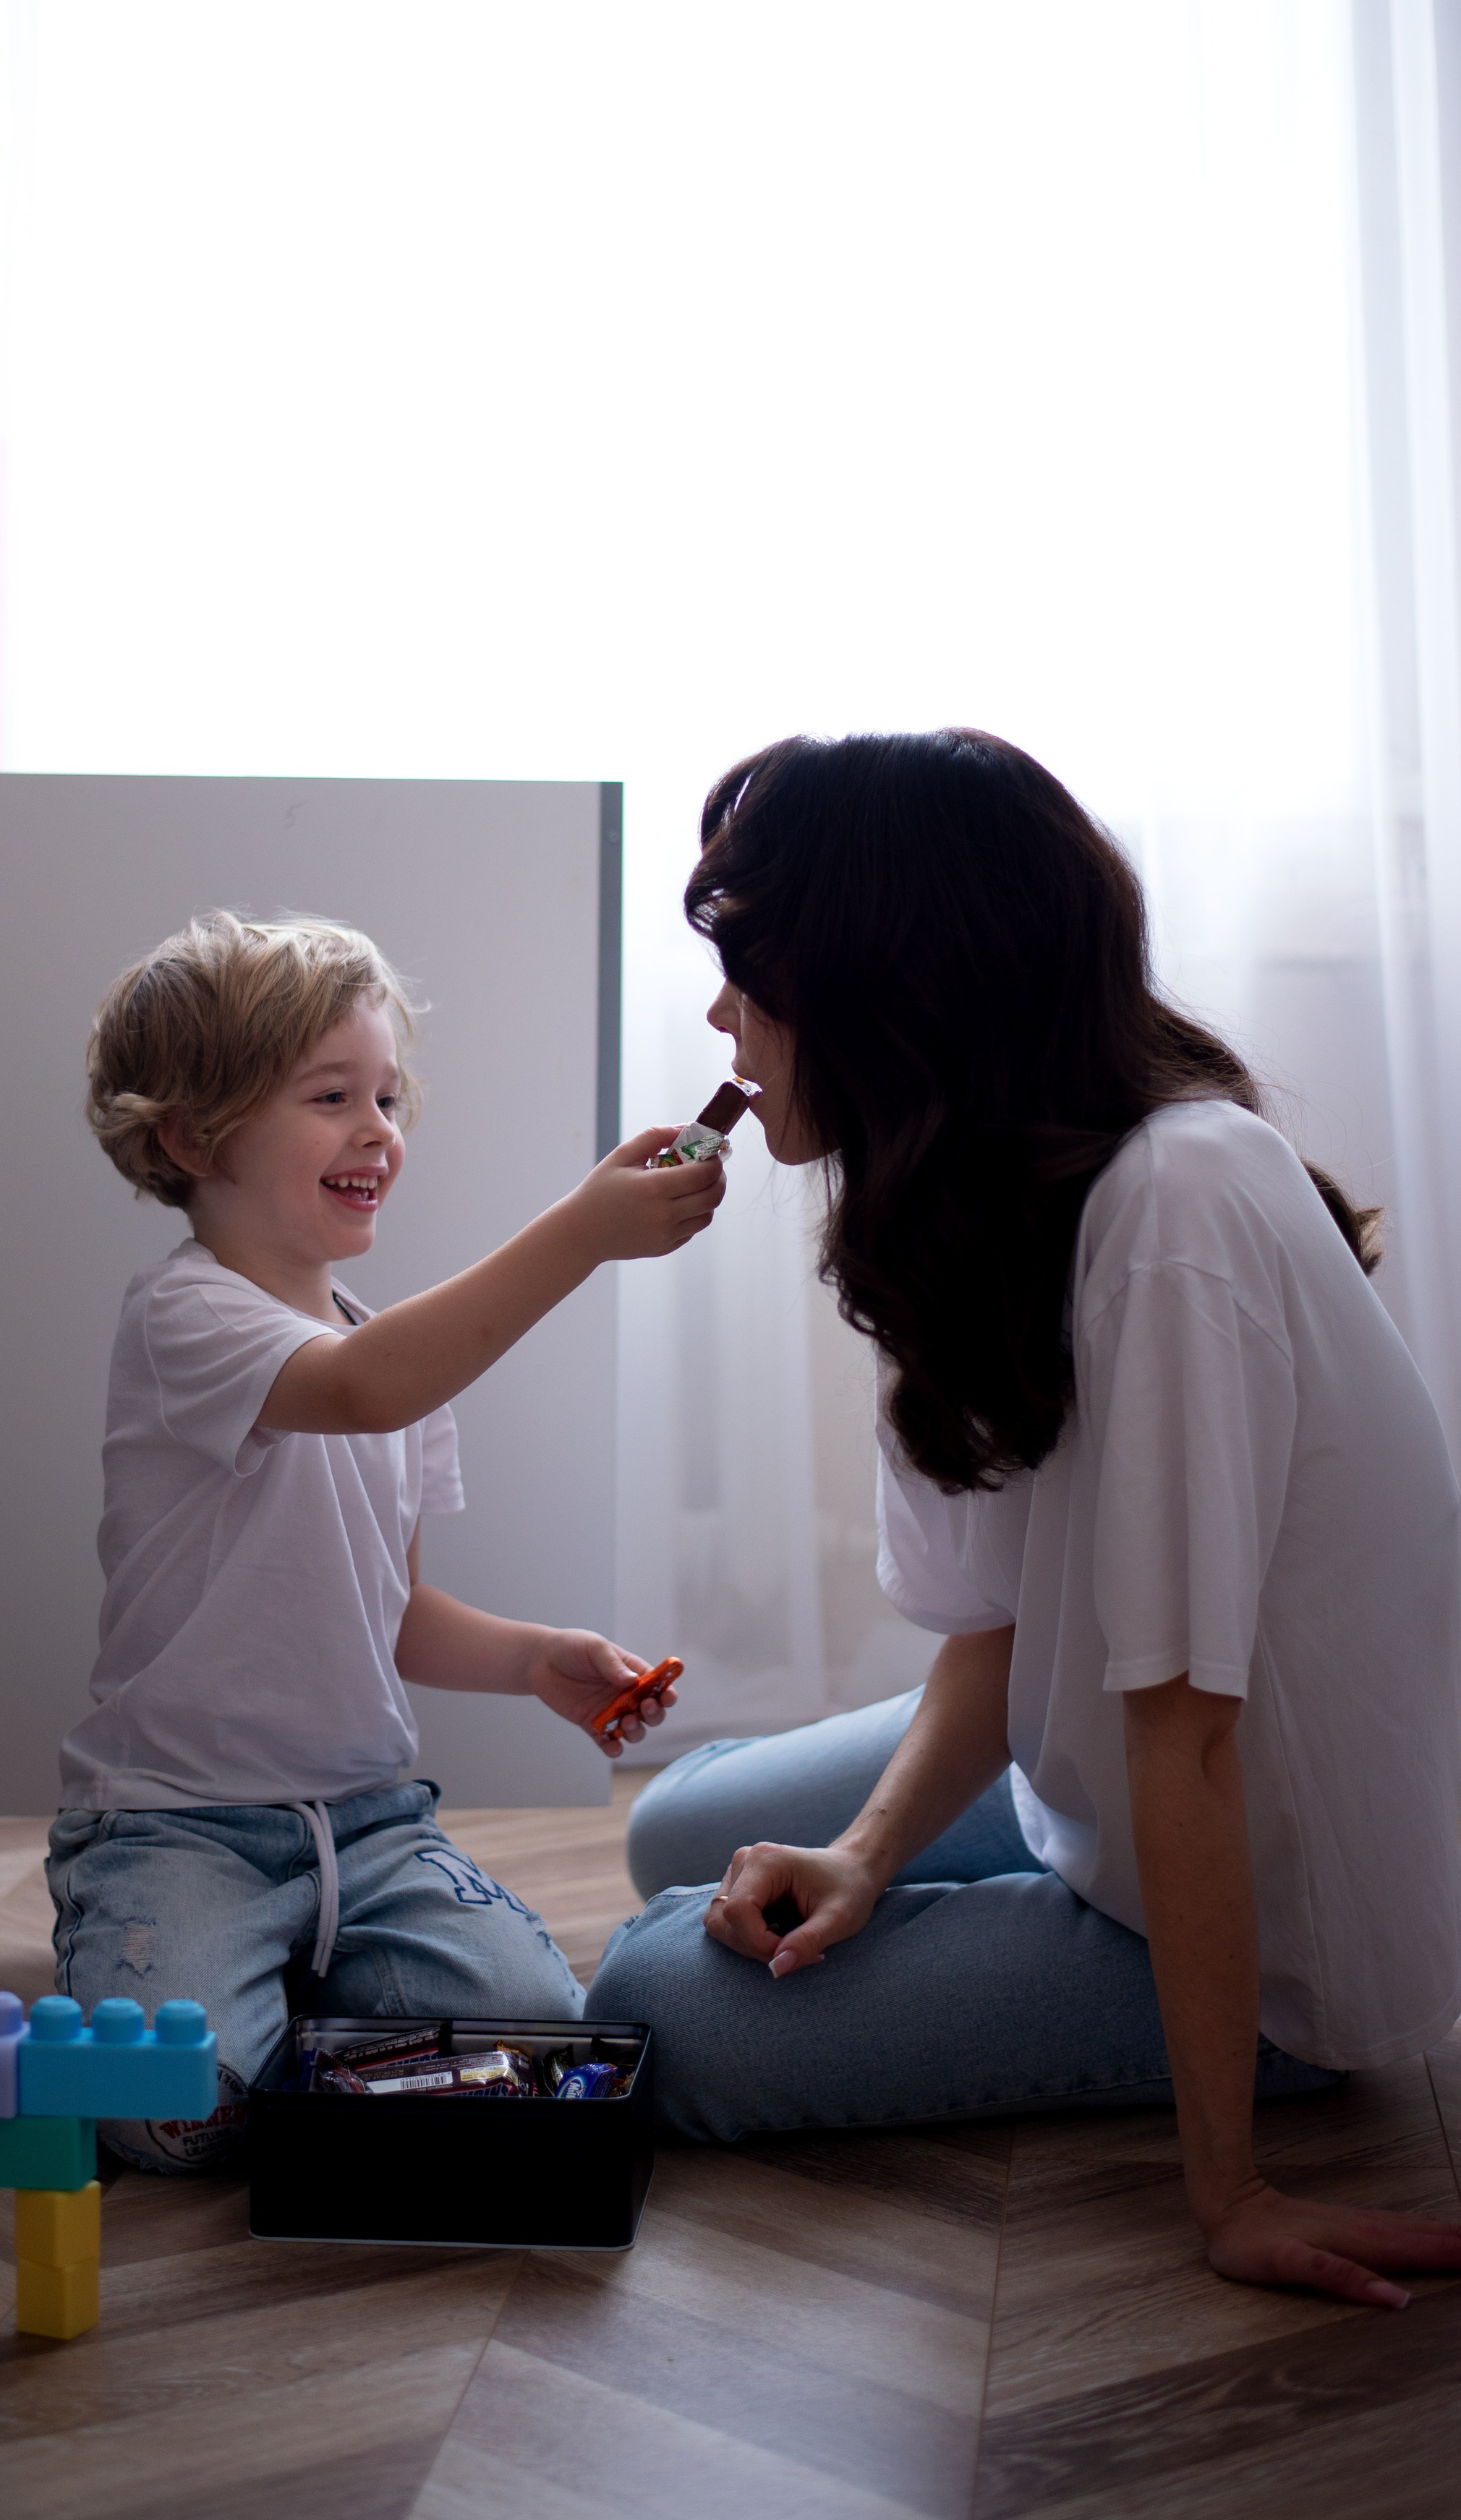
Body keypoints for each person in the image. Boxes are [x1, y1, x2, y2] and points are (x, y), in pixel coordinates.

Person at [587, 730, 1461, 2307]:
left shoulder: (1177, 1211)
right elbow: (998, 1630)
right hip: (1112, 1793)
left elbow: (1184, 1733)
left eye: (748, 971)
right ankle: (935, 1883)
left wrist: (1231, 2193)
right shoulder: (975, 1206)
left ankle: (1239, 2072)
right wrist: (860, 1857)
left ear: (885, 987)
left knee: (655, 1990)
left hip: (1272, 1918)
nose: (720, 1016)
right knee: (676, 1826)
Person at [51, 910, 718, 2169]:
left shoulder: (390, 1354)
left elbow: (395, 1609)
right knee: (170, 2117)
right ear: (193, 1138)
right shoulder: (188, 1316)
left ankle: (285, 2012)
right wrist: (581, 1229)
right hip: (179, 1825)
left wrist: (532, 1660)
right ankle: (217, 1994)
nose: (379, 1132)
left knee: (547, 2037)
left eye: (390, 1098)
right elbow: (363, 1387)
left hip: (371, 1826)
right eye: (331, 1096)